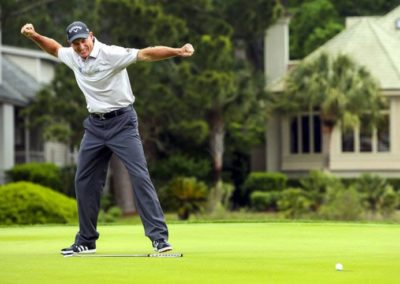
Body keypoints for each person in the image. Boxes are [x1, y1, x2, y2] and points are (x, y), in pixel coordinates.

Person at [20, 21, 195, 255]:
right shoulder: (73, 56)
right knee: (84, 181)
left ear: (91, 36)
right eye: (75, 43)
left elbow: (146, 54)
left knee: (139, 176)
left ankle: (159, 239)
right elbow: (53, 48)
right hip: (94, 126)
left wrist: (177, 51)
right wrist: (33, 35)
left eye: (83, 41)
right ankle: (86, 240)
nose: (81, 47)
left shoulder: (111, 54)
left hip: (123, 123)